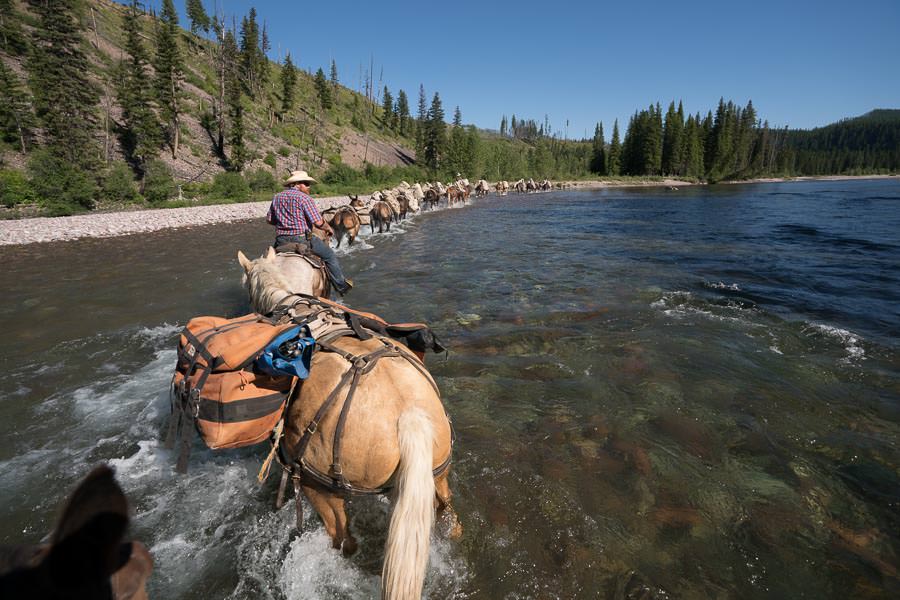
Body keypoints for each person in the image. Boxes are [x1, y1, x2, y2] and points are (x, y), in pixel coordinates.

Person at [267, 170, 353, 294]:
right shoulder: (304, 198)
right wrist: (328, 228)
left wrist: (284, 222)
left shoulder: (277, 197)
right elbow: (318, 222)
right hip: (302, 239)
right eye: (307, 184)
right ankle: (341, 285)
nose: (309, 187)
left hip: (281, 241)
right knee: (330, 256)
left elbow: (270, 220)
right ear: (298, 184)